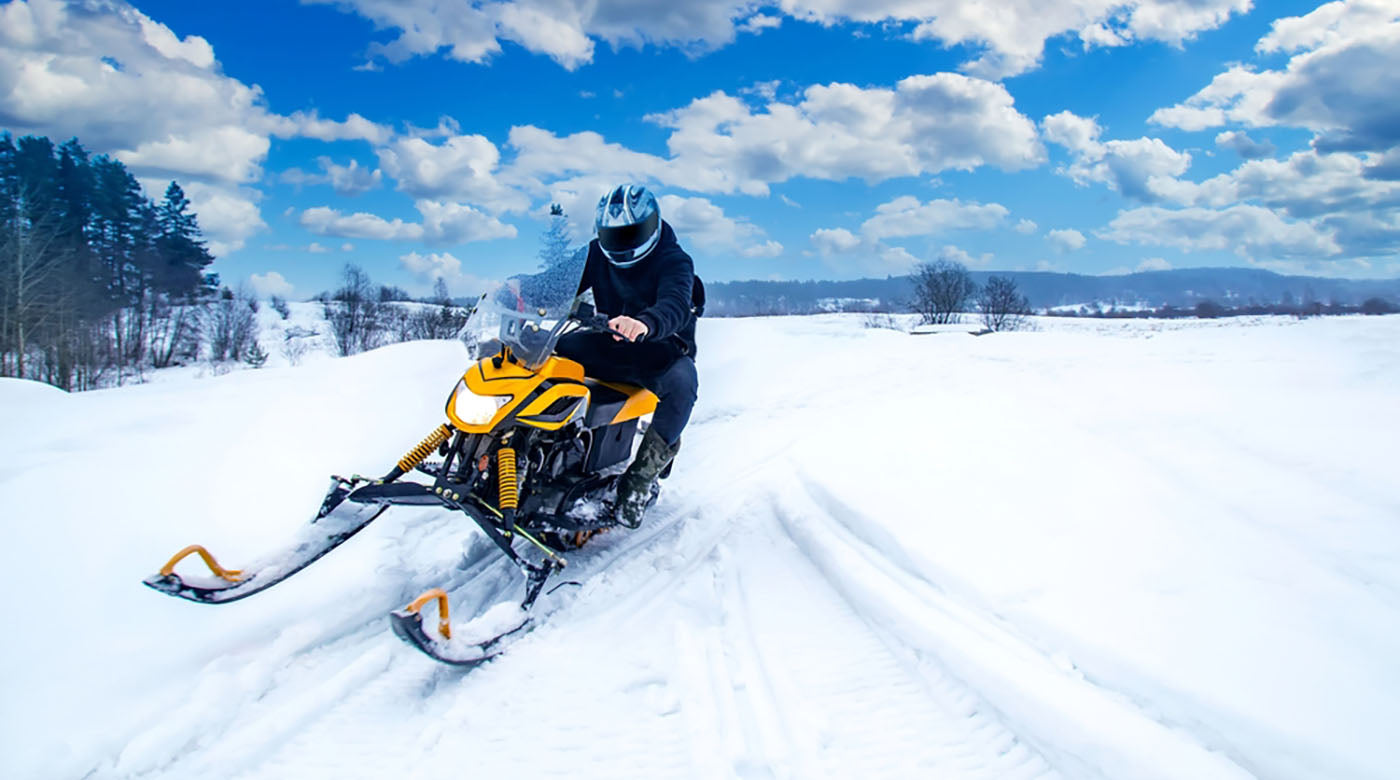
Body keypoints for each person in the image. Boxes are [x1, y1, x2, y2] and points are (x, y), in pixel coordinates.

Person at [556, 183, 699, 527]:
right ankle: (525, 447)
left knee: (683, 385)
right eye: (613, 235)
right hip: (609, 340)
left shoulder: (674, 260)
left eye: (631, 234)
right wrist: (517, 290)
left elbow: (676, 304)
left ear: (651, 226)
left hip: (657, 349)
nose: (622, 243)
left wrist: (645, 322)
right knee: (547, 353)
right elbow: (556, 283)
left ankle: (639, 480)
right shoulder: (595, 253)